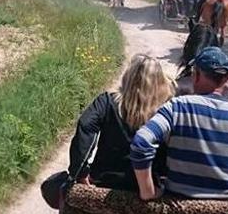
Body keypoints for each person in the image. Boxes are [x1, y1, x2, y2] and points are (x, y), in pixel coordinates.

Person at [130, 46, 228, 202]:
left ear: (196, 75)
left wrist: (148, 191)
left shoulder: (177, 107)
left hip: (181, 205)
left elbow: (141, 142)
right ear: (227, 79)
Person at [68, 54, 174, 191]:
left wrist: (80, 171)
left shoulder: (107, 102)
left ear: (128, 76)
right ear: (159, 82)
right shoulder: (166, 110)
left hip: (104, 180)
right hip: (146, 186)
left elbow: (86, 125)